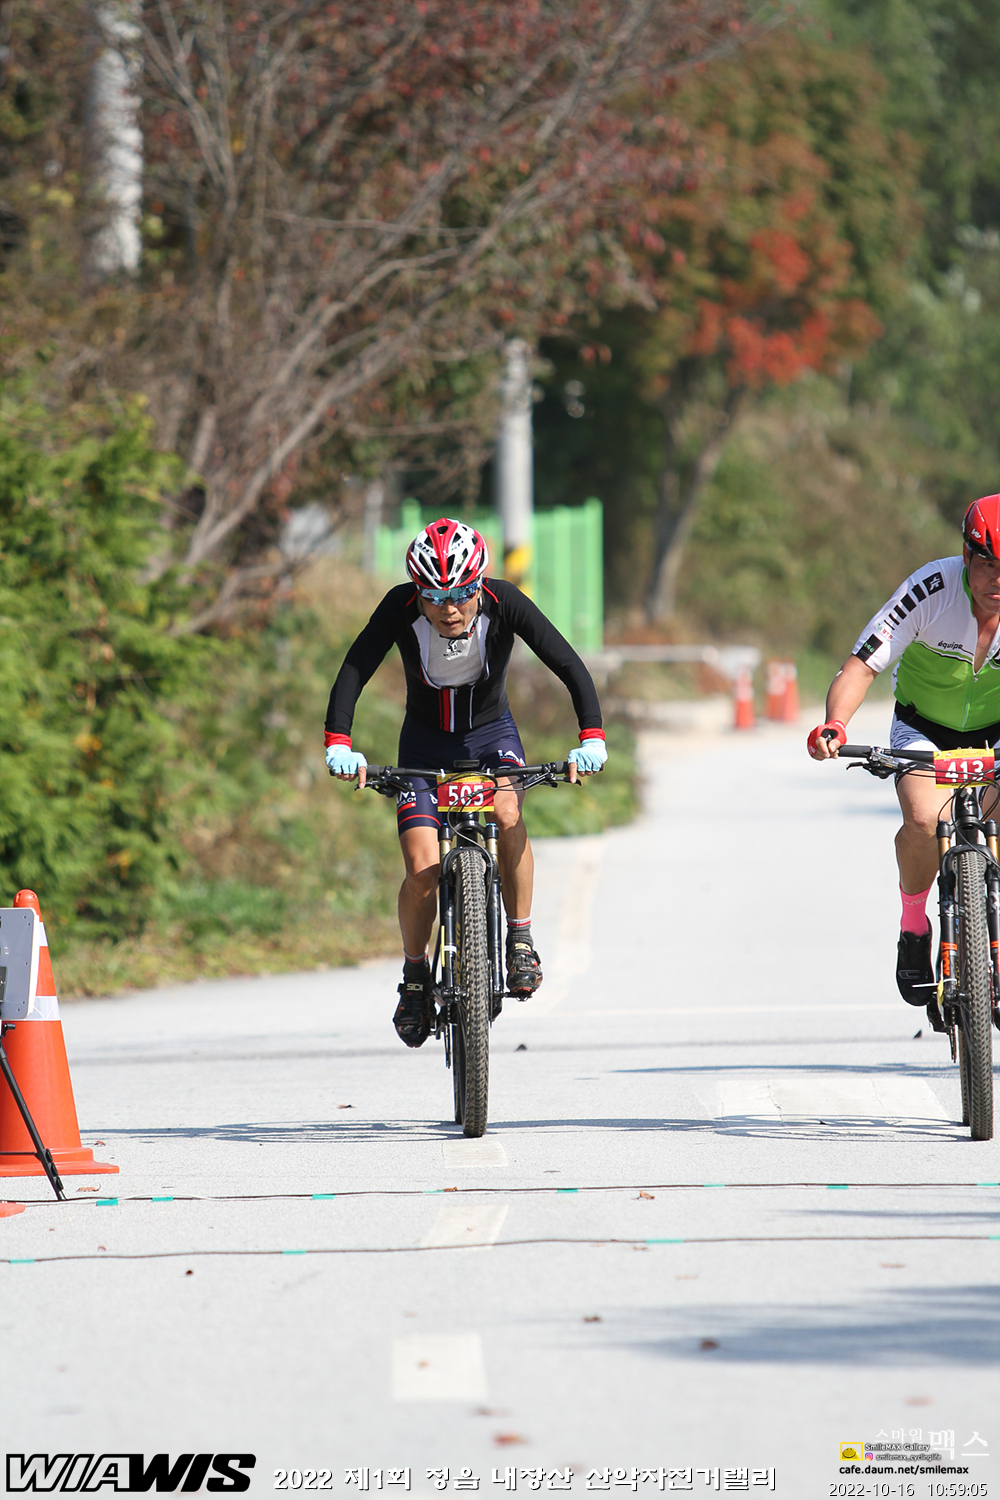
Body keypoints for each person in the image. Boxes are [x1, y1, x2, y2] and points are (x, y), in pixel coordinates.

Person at [325, 516, 607, 1047]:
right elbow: (355, 667)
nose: (449, 609)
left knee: (507, 811)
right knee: (422, 870)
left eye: (461, 594)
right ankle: (414, 977)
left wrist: (591, 736)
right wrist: (338, 741)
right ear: (417, 591)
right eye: (434, 597)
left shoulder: (505, 601)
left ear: (479, 584)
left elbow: (567, 662)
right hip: (423, 745)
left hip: (491, 736)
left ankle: (519, 938)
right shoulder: (399, 607)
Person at [807, 494, 1000, 1029]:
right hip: (924, 726)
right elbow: (862, 665)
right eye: (988, 564)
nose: (997, 580)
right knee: (921, 819)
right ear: (966, 555)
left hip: (995, 732)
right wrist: (835, 724)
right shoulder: (931, 588)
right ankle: (915, 928)